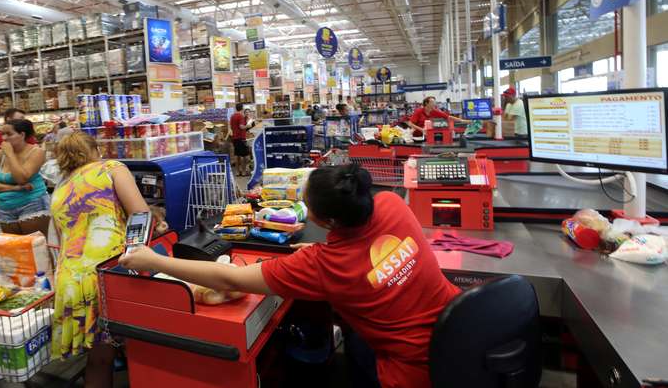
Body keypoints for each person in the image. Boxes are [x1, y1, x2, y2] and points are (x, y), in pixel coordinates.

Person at [121, 164, 459, 388]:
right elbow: (366, 252)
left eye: (306, 203)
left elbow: (230, 280)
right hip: (459, 325)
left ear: (326, 222)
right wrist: (314, 256)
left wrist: (156, 261)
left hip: (413, 368)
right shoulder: (391, 204)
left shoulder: (325, 265)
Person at [50, 132, 149, 388]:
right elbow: (140, 214)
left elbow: (65, 239)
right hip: (111, 270)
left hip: (71, 279)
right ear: (96, 149)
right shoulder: (112, 168)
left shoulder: (60, 189)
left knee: (98, 357)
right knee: (142, 348)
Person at [0, 119, 50, 236]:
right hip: (5, 208)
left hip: (32, 204)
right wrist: (16, 188)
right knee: (15, 249)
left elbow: (22, 178)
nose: (4, 138)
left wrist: (10, 154)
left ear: (22, 134)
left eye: (9, 134)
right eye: (2, 134)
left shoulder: (37, 152)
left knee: (36, 248)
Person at [403, 96, 469, 137]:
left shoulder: (435, 111)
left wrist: (463, 121)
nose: (434, 104)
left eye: (435, 102)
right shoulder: (418, 111)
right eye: (432, 102)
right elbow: (410, 124)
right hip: (417, 136)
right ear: (426, 103)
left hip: (429, 136)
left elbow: (448, 117)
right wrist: (422, 130)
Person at [230, 103, 255, 177]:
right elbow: (241, 127)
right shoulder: (240, 116)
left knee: (237, 155)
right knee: (245, 156)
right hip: (241, 138)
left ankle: (238, 172)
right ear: (242, 109)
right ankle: (243, 171)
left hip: (235, 138)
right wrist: (248, 125)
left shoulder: (232, 116)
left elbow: (232, 126)